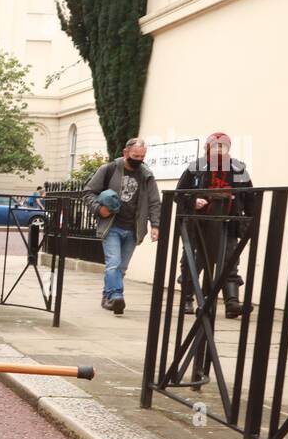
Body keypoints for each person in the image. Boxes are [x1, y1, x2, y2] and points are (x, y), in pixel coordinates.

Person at [176, 132, 254, 319]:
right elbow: (180, 193)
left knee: (230, 262)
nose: (219, 150)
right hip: (199, 225)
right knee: (194, 262)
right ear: (208, 147)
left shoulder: (238, 169)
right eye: (216, 146)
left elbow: (250, 198)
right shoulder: (196, 167)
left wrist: (249, 221)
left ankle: (231, 303)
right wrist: (194, 201)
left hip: (228, 224)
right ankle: (187, 299)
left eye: (223, 146)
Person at [81, 138, 162, 315]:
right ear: (126, 153)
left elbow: (155, 202)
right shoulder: (109, 169)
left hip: (133, 229)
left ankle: (107, 296)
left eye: (142, 156)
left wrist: (155, 225)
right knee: (113, 264)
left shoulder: (147, 175)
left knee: (121, 267)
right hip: (112, 226)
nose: (139, 159)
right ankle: (116, 296)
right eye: (135, 155)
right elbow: (88, 192)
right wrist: (99, 209)